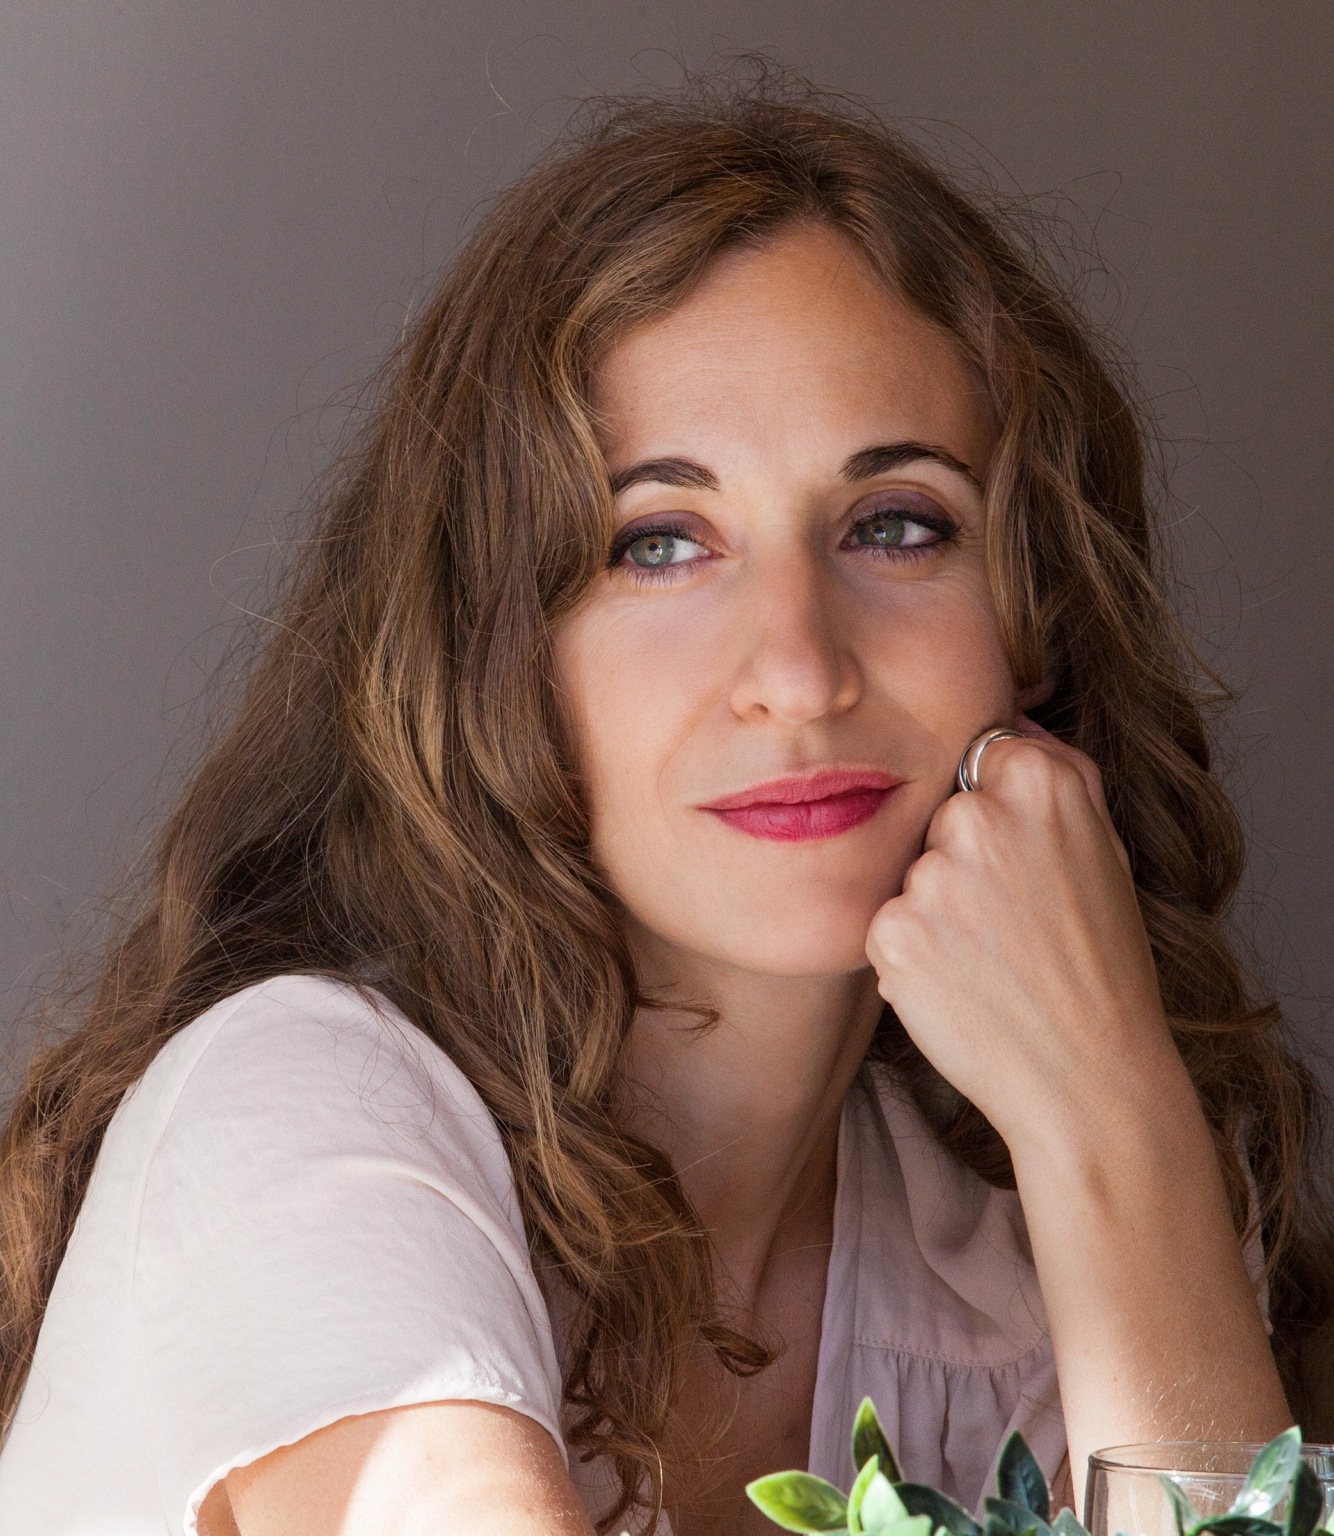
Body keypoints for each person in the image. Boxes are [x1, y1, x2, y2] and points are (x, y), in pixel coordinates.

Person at [0, 69, 1327, 1536]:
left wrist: (1115, 1122)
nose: (799, 672)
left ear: (1038, 625)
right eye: (660, 544)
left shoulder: (1011, 1246)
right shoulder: (302, 1116)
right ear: (497, 648)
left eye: (896, 526)